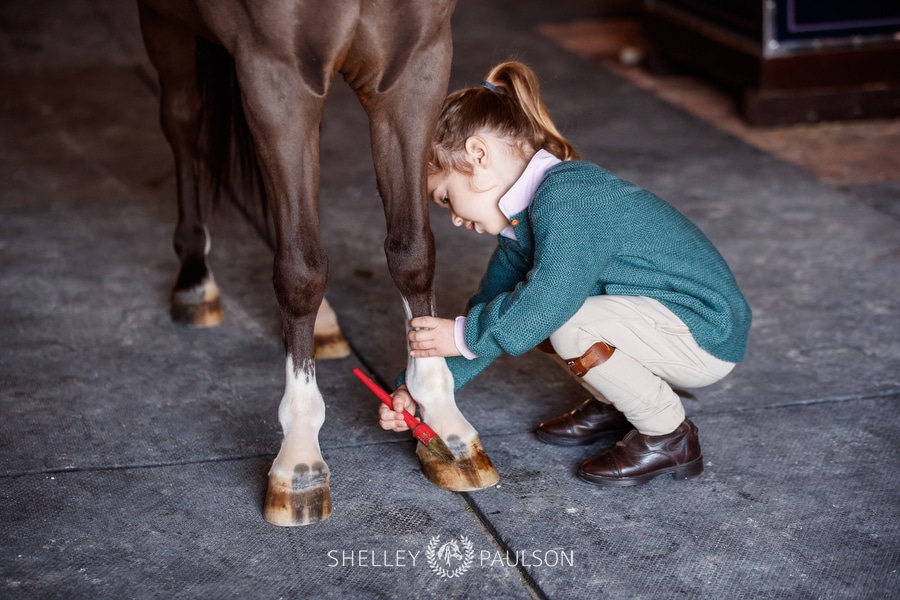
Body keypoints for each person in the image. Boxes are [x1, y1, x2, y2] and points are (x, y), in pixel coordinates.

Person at [379, 61, 751, 486]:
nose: (454, 219)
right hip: (662, 325)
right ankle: (620, 402)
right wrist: (418, 391)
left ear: (478, 155)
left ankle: (668, 434)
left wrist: (463, 334)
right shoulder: (521, 231)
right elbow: (486, 313)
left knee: (557, 316)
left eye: (445, 197)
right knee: (515, 315)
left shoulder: (570, 193)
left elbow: (548, 301)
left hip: (704, 331)